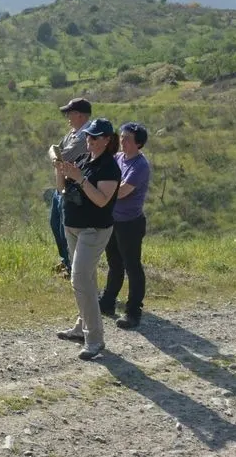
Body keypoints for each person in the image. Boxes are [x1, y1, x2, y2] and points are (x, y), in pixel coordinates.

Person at [54, 118, 122, 360]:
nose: (90, 140)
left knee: (80, 279)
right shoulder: (84, 159)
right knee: (87, 280)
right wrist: (60, 170)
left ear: (107, 140)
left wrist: (80, 178)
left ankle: (94, 339)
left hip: (94, 229)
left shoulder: (109, 167)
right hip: (73, 226)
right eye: (88, 136)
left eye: (95, 137)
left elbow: (102, 200)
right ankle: (81, 327)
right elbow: (62, 190)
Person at [99, 122, 151, 329]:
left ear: (138, 143)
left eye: (127, 138)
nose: (122, 141)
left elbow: (121, 191)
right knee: (114, 264)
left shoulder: (140, 165)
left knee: (132, 266)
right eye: (121, 137)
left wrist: (100, 190)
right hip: (113, 220)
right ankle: (107, 302)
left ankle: (133, 312)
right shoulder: (118, 158)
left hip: (130, 223)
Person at [48, 98, 93, 277]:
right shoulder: (73, 134)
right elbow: (54, 150)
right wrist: (56, 159)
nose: (67, 116)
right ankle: (65, 261)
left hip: (73, 189)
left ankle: (71, 266)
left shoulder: (84, 137)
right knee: (56, 224)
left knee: (65, 228)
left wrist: (57, 159)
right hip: (62, 186)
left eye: (70, 113)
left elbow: (62, 157)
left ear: (80, 115)